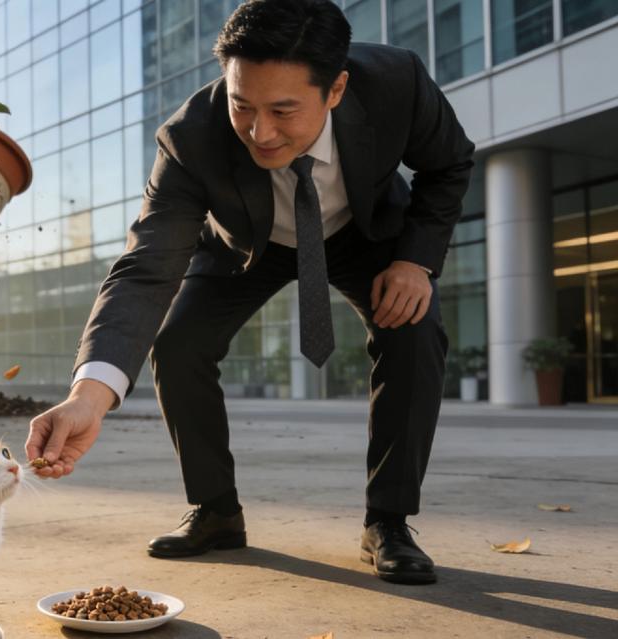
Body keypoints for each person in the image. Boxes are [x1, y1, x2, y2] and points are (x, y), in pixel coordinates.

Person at [24, 0, 473, 586]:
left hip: (364, 236)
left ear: (335, 88)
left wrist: (416, 260)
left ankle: (388, 521)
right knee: (179, 342)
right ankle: (215, 513)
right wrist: (88, 396)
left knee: (414, 328)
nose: (260, 132)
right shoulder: (190, 138)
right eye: (243, 105)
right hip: (243, 247)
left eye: (284, 110)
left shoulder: (397, 83)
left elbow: (450, 164)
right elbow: (145, 267)